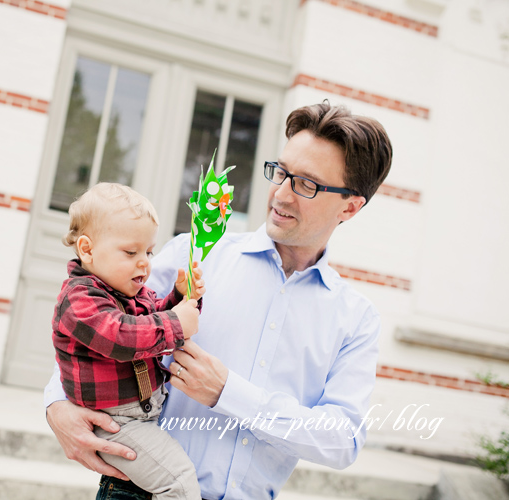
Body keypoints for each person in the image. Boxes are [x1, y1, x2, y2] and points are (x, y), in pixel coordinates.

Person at [45, 102, 393, 500]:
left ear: (350, 206)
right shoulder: (193, 254)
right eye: (280, 172)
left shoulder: (355, 319)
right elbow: (90, 324)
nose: (280, 194)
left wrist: (228, 392)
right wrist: (56, 404)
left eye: (307, 184)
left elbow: (342, 439)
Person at [52, 182, 206, 499]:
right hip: (115, 422)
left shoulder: (131, 294)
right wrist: (176, 323)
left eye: (148, 251)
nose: (144, 262)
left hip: (137, 420)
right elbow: (122, 338)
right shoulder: (79, 300)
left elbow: (154, 319)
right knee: (178, 482)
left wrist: (181, 298)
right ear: (87, 249)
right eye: (130, 252)